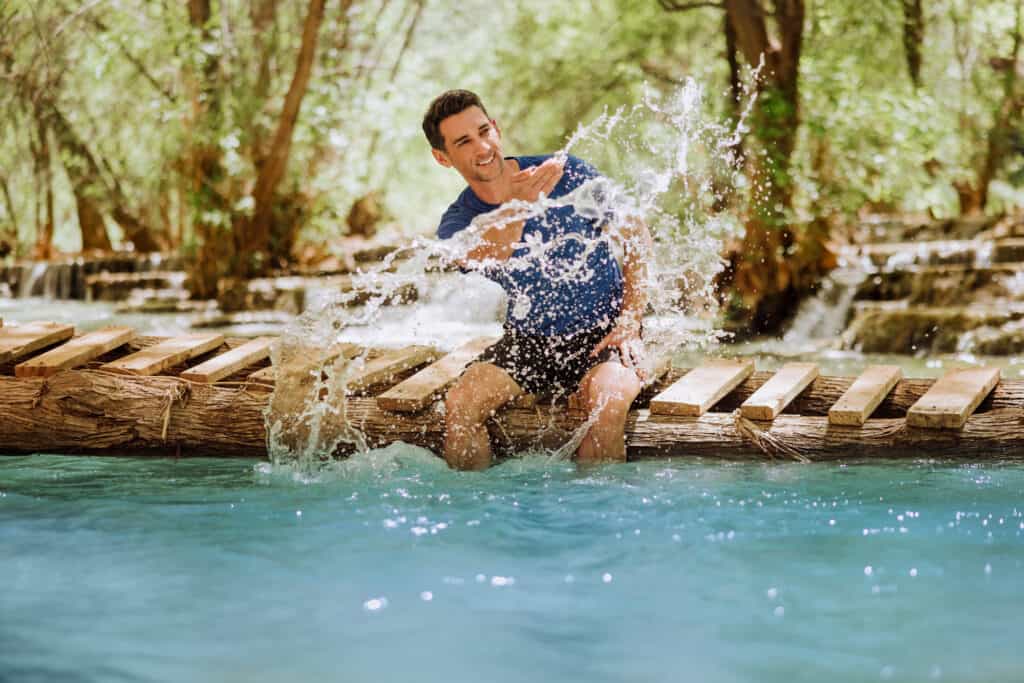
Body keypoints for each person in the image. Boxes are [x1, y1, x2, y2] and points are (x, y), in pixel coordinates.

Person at [422, 89, 652, 470]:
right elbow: (489, 252)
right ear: (443, 158)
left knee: (608, 404)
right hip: (530, 342)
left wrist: (630, 321)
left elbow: (637, 235)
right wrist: (520, 208)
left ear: (496, 129)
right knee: (461, 405)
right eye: (464, 142)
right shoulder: (458, 222)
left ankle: (599, 506)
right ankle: (475, 504)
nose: (482, 147)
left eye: (484, 131)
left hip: (605, 332)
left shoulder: (566, 173)